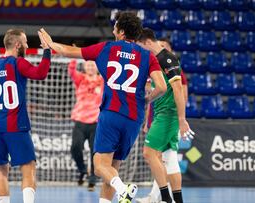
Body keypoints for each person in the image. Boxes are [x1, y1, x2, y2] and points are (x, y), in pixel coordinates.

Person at [39, 11, 167, 203]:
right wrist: (146, 100)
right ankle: (117, 192)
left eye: (115, 25)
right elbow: (162, 87)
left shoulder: (107, 48)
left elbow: (68, 51)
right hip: (134, 118)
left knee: (99, 166)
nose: (113, 28)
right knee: (112, 168)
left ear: (121, 32)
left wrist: (50, 43)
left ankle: (124, 189)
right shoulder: (148, 57)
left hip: (112, 113)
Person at [0, 28, 51, 203]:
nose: (27, 45)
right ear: (17, 45)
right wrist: (47, 50)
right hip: (16, 125)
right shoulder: (18, 63)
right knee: (28, 167)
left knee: (0, 170)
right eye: (25, 43)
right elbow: (41, 73)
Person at [136, 28, 195, 203]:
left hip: (168, 115)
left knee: (148, 153)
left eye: (140, 46)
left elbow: (178, 90)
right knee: (170, 159)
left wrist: (182, 119)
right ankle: (177, 200)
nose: (140, 50)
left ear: (147, 42)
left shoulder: (166, 59)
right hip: (163, 113)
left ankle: (165, 199)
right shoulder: (155, 61)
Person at [68, 59, 103, 191]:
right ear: (84, 67)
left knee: (95, 151)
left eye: (93, 65)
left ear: (97, 67)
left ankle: (93, 177)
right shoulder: (80, 79)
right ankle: (83, 170)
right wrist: (74, 57)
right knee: (75, 148)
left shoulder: (102, 80)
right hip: (80, 120)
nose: (90, 67)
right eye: (88, 65)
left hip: (96, 122)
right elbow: (71, 70)